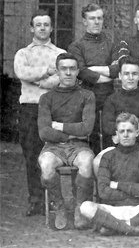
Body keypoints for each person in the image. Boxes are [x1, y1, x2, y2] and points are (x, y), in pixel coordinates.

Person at [80, 113, 139, 237]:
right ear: (117, 134)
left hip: (138, 209)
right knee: (85, 207)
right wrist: (133, 191)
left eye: (129, 131)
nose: (125, 135)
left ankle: (114, 227)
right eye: (122, 131)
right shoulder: (107, 157)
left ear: (137, 133)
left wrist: (117, 185)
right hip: (112, 210)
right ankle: (135, 229)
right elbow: (103, 192)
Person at [13, 10, 66, 216]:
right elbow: (22, 73)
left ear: (51, 28)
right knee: (31, 154)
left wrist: (38, 80)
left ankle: (52, 198)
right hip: (29, 108)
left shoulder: (59, 53)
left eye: (46, 24)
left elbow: (61, 77)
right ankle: (35, 199)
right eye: (39, 24)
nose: (43, 28)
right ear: (31, 28)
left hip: (51, 109)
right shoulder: (23, 54)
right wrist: (47, 71)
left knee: (52, 154)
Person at [37, 53, 95, 230]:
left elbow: (87, 129)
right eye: (64, 69)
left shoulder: (87, 95)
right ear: (58, 71)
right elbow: (44, 132)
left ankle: (79, 206)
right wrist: (72, 133)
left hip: (79, 147)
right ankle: (59, 204)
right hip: (53, 147)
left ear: (78, 71)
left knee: (86, 162)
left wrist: (60, 126)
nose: (68, 73)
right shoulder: (46, 98)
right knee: (46, 165)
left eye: (72, 69)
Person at [93, 56, 139, 181]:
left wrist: (121, 132)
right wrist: (138, 126)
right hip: (116, 147)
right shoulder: (111, 100)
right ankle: (108, 198)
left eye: (134, 74)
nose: (130, 77)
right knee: (97, 163)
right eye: (126, 74)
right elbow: (107, 127)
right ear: (119, 75)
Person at [68, 3, 119, 154]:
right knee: (89, 142)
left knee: (109, 140)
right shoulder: (76, 46)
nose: (96, 22)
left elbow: (117, 70)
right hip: (86, 99)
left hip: (109, 99)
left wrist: (93, 69)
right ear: (85, 21)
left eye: (99, 18)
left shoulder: (111, 44)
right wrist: (107, 75)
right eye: (92, 18)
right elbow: (82, 72)